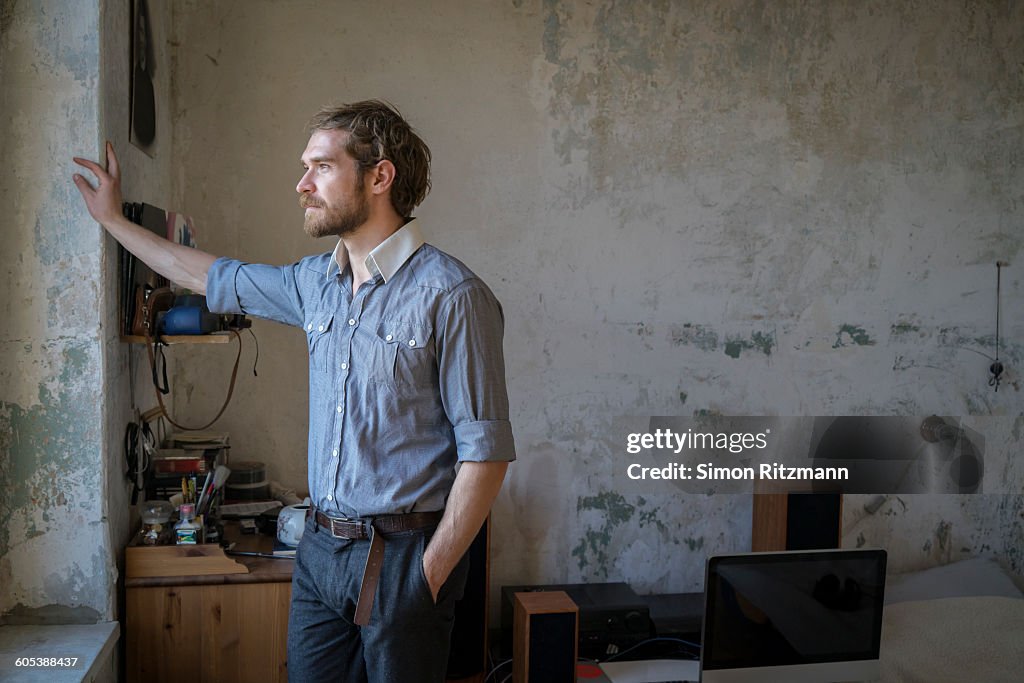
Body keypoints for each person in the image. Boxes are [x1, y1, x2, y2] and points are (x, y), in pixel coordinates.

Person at [73, 100, 515, 682]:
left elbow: (486, 455)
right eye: (305, 167)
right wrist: (111, 222)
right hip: (319, 552)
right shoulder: (313, 284)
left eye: (322, 167)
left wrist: (427, 575)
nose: (302, 184)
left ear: (380, 177)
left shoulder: (453, 295)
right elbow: (208, 275)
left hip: (405, 557)